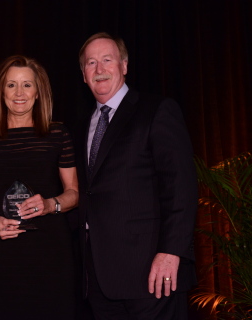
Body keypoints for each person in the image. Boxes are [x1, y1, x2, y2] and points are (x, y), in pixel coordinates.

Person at [74, 32, 198, 319]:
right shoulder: (81, 126)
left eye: (107, 60)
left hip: (153, 276)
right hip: (99, 282)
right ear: (83, 75)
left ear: (124, 65)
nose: (100, 69)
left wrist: (171, 252)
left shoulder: (156, 111)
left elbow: (181, 187)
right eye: (91, 63)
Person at [0, 55, 79, 319]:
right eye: (11, 85)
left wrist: (51, 204)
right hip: (3, 253)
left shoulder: (58, 134)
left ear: (38, 92)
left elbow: (74, 192)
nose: (19, 93)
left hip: (52, 252)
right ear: (0, 91)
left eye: (27, 85)